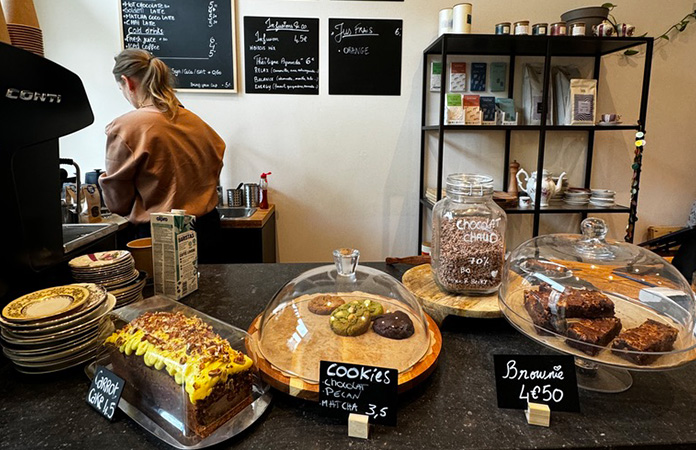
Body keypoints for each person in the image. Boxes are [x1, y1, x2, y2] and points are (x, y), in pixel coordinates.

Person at [99, 48, 225, 263]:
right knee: (211, 293)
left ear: (127, 82)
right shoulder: (197, 123)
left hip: (160, 236)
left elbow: (117, 203)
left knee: (161, 297)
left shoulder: (126, 127)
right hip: (207, 230)